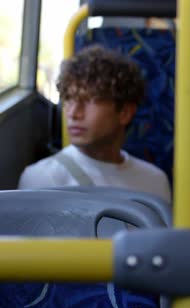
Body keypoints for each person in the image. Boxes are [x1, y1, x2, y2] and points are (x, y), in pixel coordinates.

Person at [18, 45, 171, 203]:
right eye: (69, 100)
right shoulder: (41, 179)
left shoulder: (155, 182)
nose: (73, 113)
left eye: (91, 100)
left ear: (125, 113)